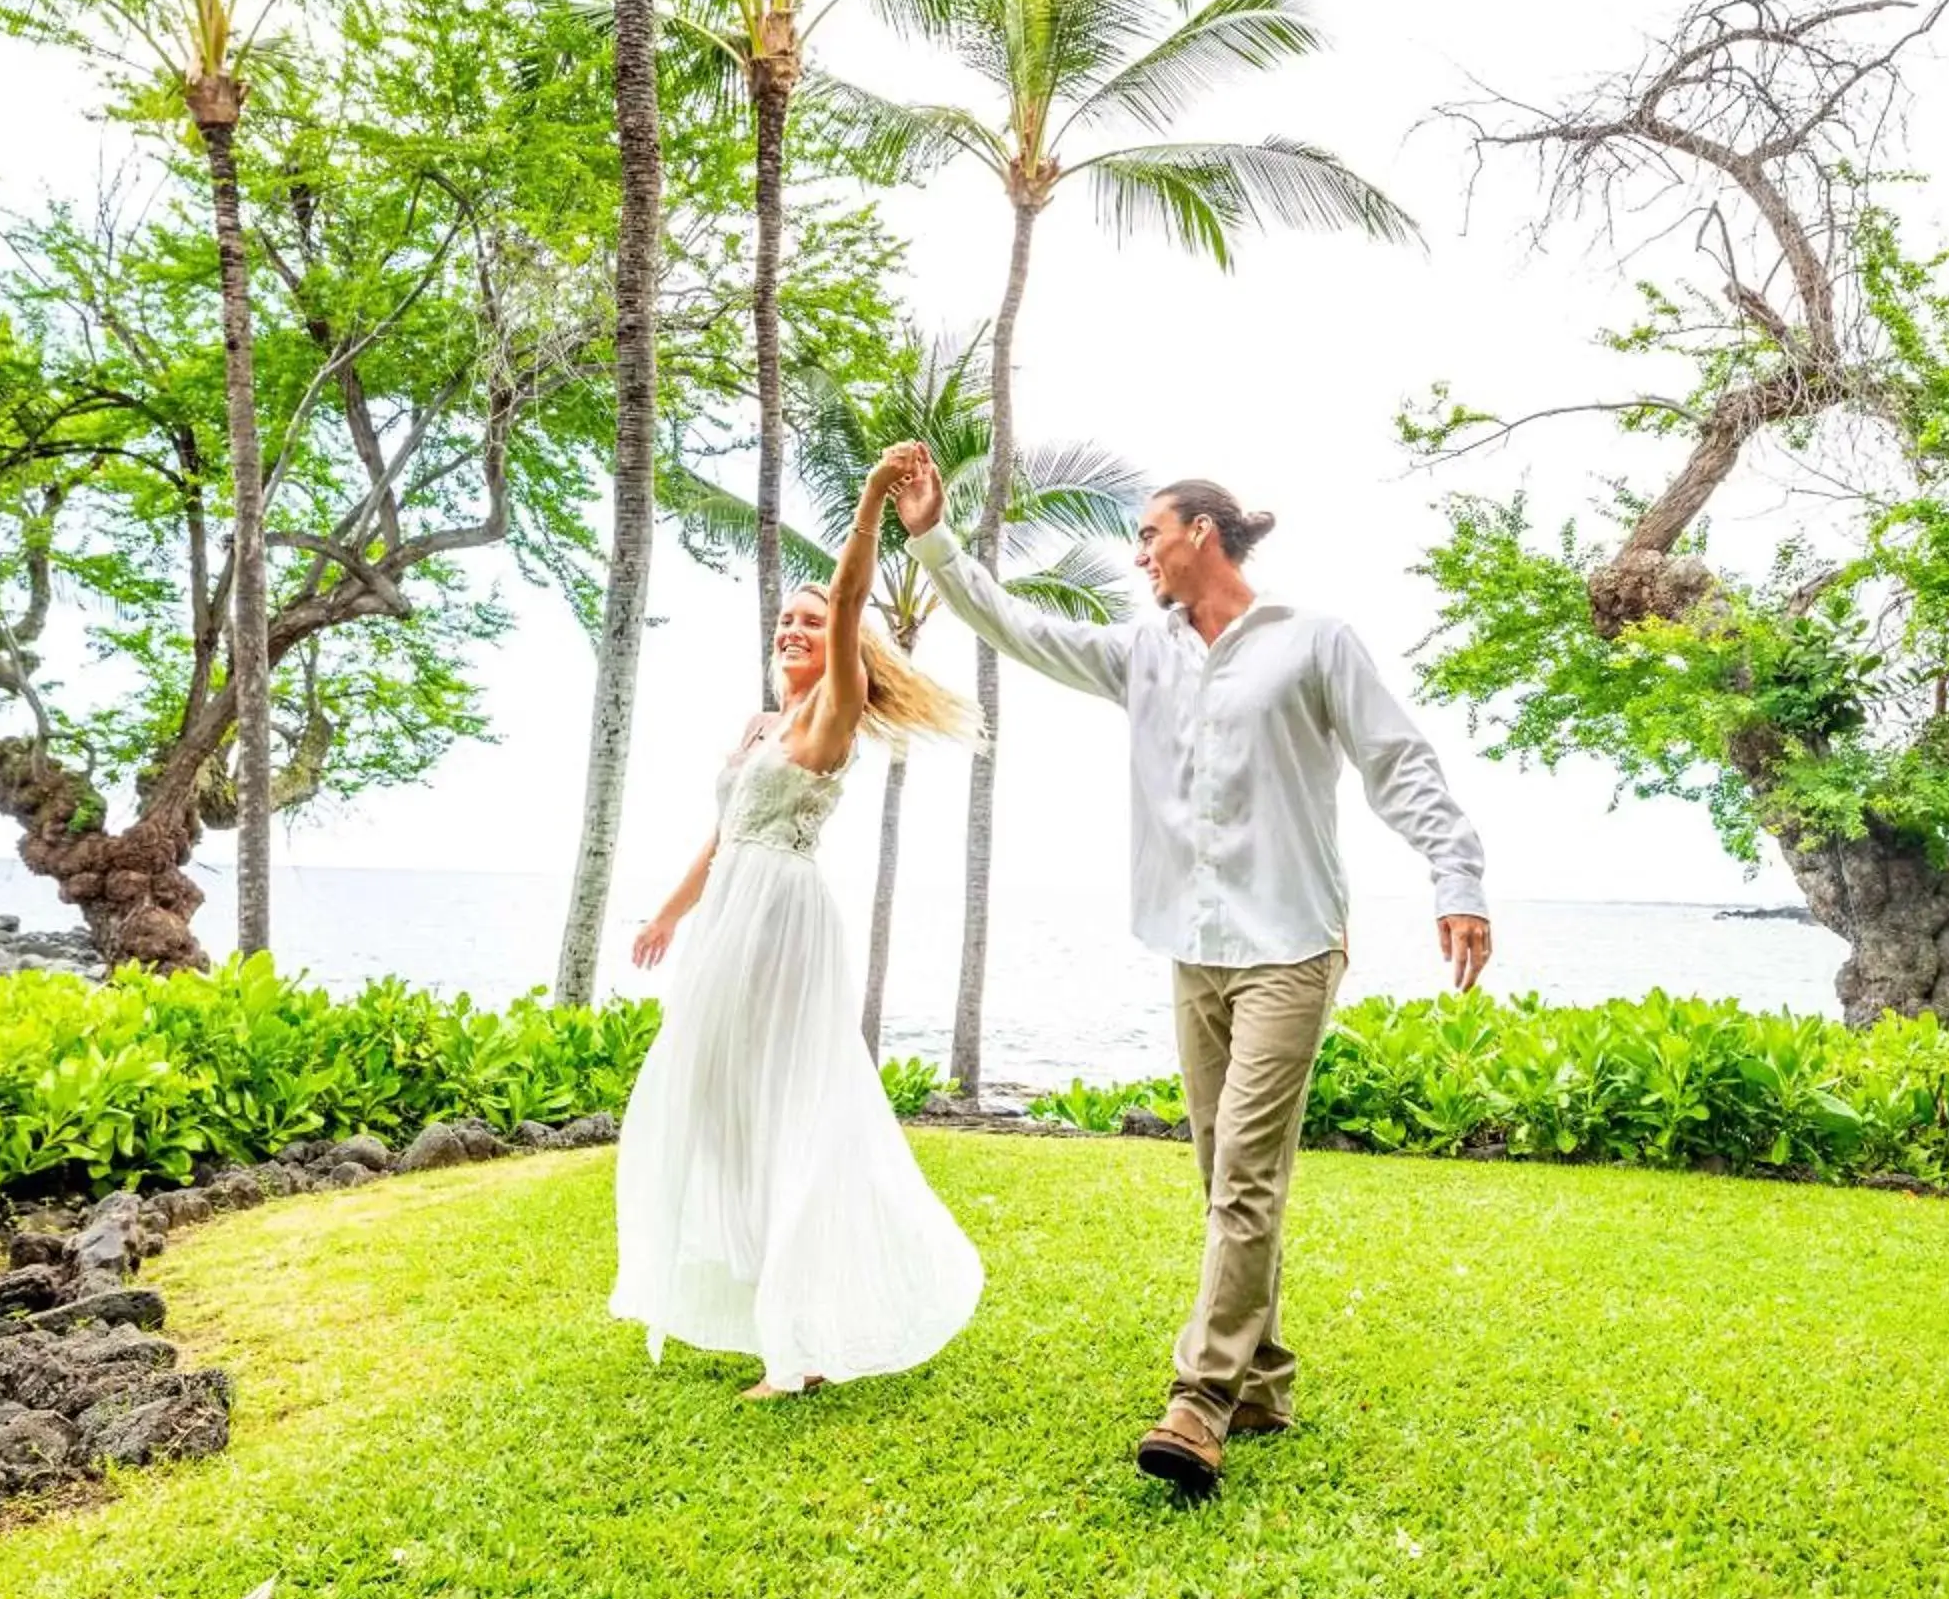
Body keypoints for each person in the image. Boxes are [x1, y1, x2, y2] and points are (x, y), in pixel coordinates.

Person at [887, 449, 1492, 1497]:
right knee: (1222, 1182)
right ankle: (1262, 1382)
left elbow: (1398, 762)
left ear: (1200, 533)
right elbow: (1018, 628)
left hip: (1290, 948)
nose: (1139, 559)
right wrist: (934, 539)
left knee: (1245, 1180)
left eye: (1150, 537)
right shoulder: (1143, 655)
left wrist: (1457, 878)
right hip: (1192, 948)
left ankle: (1198, 1401)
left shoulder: (1313, 643)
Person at [610, 450, 984, 1401]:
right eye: (787, 619)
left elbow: (855, 598)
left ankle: (803, 1342)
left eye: (812, 622)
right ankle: (768, 1294)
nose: (795, 628)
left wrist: (867, 506)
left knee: (789, 1107)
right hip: (728, 911)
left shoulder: (835, 714)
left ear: (840, 642)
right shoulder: (759, 727)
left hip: (781, 917)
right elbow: (721, 837)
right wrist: (665, 912)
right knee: (716, 1099)